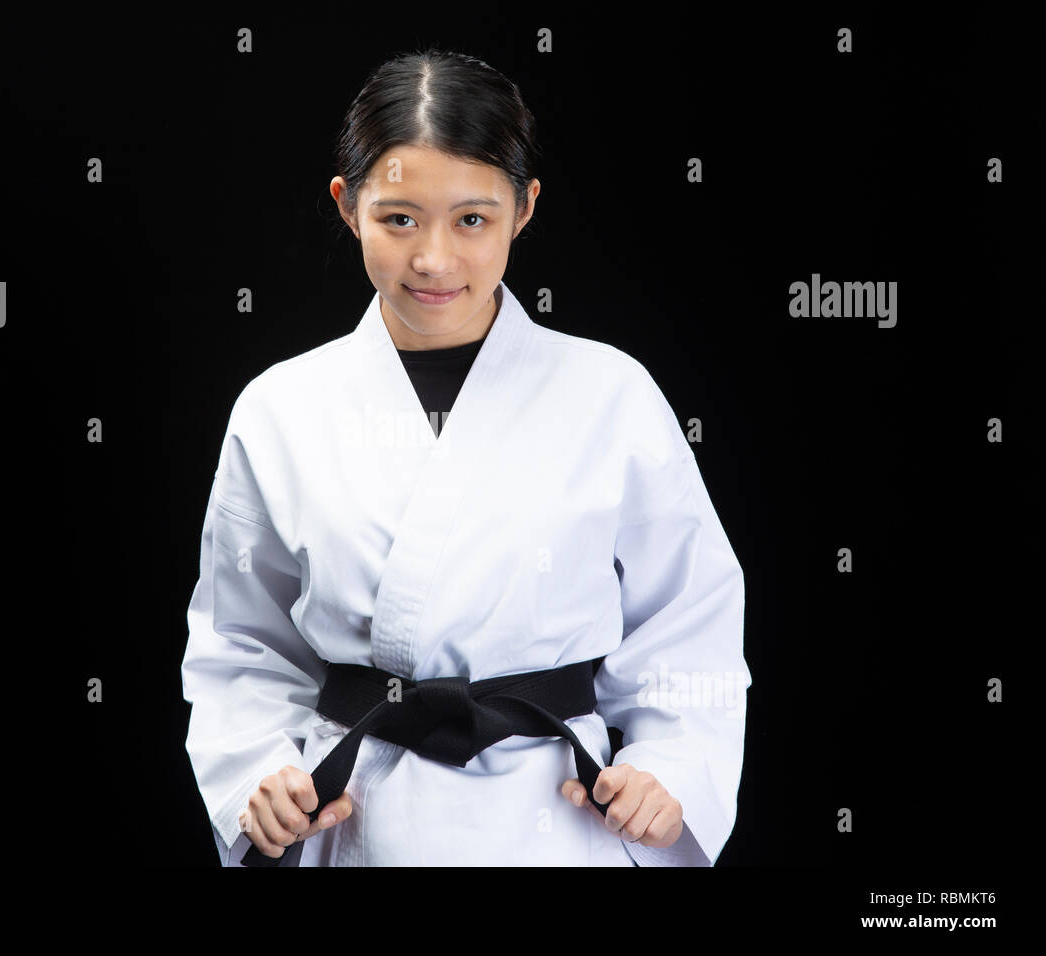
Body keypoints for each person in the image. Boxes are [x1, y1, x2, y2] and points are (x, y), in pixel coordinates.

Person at [180, 48, 751, 866]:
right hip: (361, 811)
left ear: (525, 209)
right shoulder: (279, 408)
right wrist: (260, 776)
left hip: (559, 818)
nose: (435, 259)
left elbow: (689, 624)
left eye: (473, 219)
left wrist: (668, 773)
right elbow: (242, 640)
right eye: (399, 217)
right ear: (348, 207)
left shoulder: (610, 393)